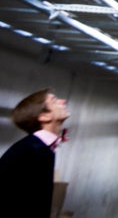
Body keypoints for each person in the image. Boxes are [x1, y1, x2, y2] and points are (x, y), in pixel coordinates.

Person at [0, 88, 70, 218]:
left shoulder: (38, 147)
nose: (63, 101)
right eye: (54, 101)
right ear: (44, 116)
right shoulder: (32, 150)